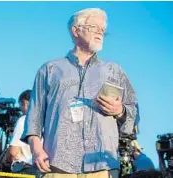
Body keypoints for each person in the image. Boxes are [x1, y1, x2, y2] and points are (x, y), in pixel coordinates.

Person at [21, 8, 138, 178]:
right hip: (57, 165)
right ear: (75, 31)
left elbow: (134, 114)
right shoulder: (49, 70)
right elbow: (34, 118)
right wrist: (37, 150)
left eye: (103, 30)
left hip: (101, 166)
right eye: (94, 27)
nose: (100, 32)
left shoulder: (114, 71)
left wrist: (120, 110)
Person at [9, 90, 37, 174]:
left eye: (20, 104)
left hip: (24, 170)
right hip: (41, 170)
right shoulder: (45, 120)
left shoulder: (23, 120)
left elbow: (13, 152)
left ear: (25, 103)